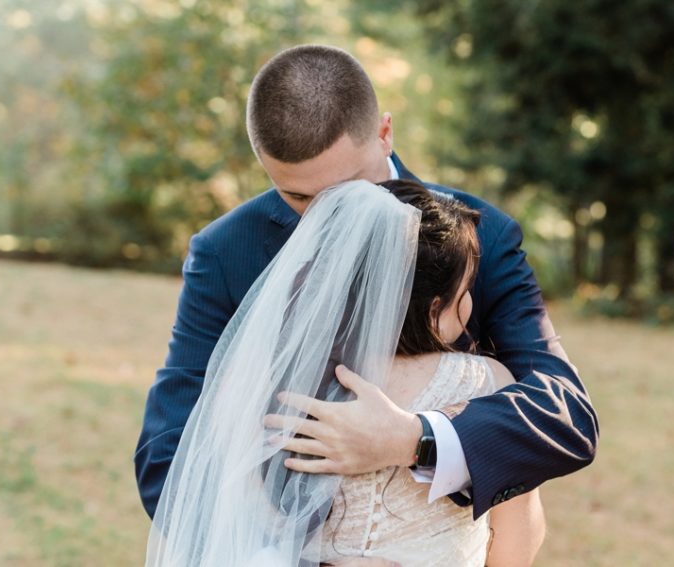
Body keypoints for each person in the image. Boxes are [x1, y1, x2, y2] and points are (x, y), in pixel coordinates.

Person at [135, 43, 597, 542]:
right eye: (299, 198)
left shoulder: (480, 235)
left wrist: (415, 440)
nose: (329, 219)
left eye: (350, 188)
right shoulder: (226, 251)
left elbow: (565, 412)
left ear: (384, 133)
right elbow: (166, 453)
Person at [145, 179, 545, 566]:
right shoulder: (484, 384)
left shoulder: (269, 381)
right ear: (433, 310)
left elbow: (226, 530)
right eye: (465, 291)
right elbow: (515, 548)